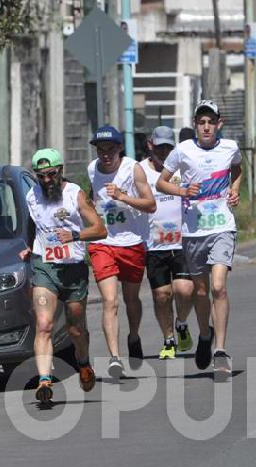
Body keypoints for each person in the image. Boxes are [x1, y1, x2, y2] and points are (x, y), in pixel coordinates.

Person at [155, 100, 242, 382]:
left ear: (219, 123)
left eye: (211, 122)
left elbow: (237, 169)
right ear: (196, 125)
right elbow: (161, 183)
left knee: (218, 287)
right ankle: (205, 334)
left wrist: (235, 190)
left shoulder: (230, 148)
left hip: (222, 227)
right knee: (201, 292)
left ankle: (220, 350)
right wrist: (182, 190)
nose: (206, 127)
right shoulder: (183, 151)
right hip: (193, 231)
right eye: (201, 122)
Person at [19, 148, 108, 404]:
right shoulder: (31, 195)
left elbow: (100, 229)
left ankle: (83, 362)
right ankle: (44, 380)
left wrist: (76, 236)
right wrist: (29, 246)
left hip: (73, 268)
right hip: (44, 266)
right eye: (41, 176)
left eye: (50, 174)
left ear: (61, 171)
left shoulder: (74, 194)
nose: (46, 180)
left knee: (75, 329)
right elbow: (33, 225)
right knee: (44, 324)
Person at [86, 125, 157, 378]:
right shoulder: (92, 169)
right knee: (109, 300)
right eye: (100, 150)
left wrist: (124, 197)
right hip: (103, 243)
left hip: (131, 242)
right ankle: (115, 358)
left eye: (109, 149)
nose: (104, 155)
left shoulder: (133, 169)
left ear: (119, 149)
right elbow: (93, 198)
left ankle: (134, 335)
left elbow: (151, 205)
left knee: (131, 300)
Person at [139, 126, 195, 359]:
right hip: (153, 244)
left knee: (184, 289)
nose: (163, 152)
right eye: (159, 147)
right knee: (161, 296)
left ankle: (181, 323)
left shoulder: (182, 167)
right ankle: (169, 339)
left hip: (182, 241)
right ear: (151, 145)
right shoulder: (140, 170)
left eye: (168, 148)